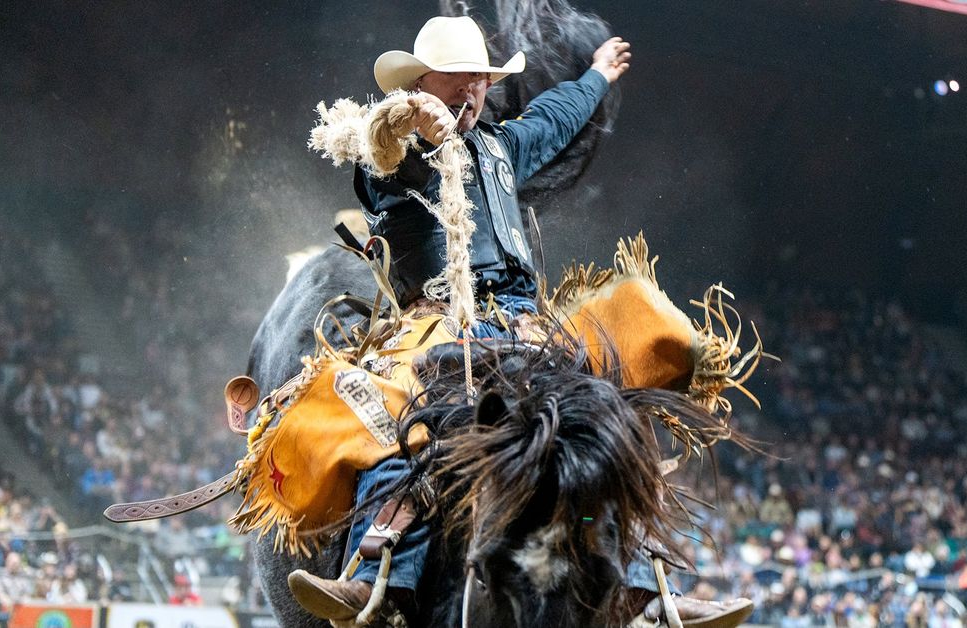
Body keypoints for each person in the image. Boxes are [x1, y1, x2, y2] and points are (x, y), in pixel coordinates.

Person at [288, 15, 752, 627]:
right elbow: (377, 144)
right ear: (422, 82)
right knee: (403, 418)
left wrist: (596, 75)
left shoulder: (503, 146)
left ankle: (643, 591)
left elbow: (557, 116)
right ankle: (375, 577)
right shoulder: (399, 154)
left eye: (479, 79)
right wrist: (405, 118)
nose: (471, 90)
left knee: (606, 423)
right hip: (437, 326)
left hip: (529, 327)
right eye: (456, 79)